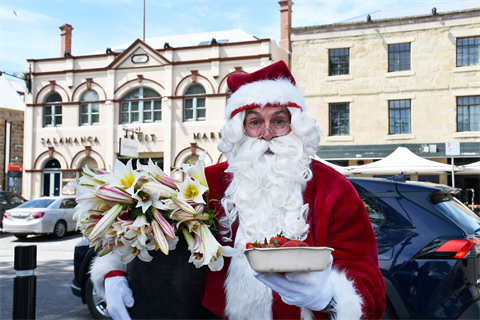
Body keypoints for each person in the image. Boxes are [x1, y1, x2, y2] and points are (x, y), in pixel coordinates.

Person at [90, 60, 386, 320]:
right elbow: (147, 223)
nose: (267, 133)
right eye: (255, 122)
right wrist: (113, 272)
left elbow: (365, 273)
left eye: (279, 122)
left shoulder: (333, 189)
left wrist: (330, 296)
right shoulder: (207, 183)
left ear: (296, 126)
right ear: (240, 130)